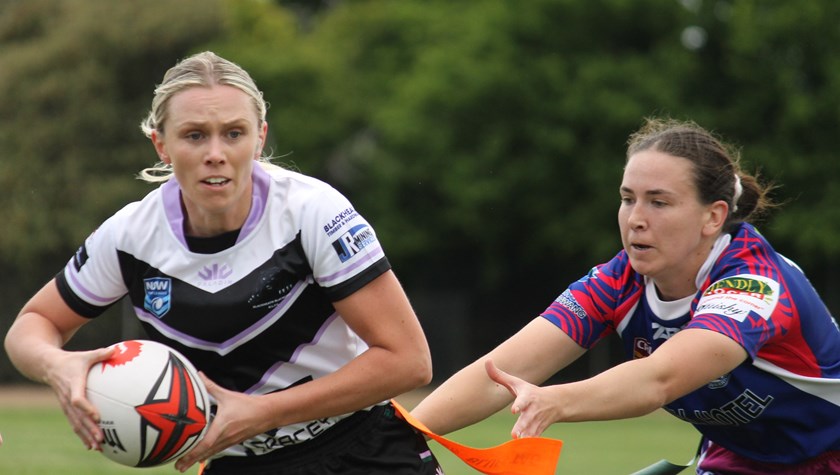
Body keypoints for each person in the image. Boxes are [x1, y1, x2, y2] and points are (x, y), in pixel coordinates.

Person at [4, 51, 443, 475]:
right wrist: (55, 365)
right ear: (161, 144)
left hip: (364, 450)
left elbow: (408, 360)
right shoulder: (130, 236)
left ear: (260, 138)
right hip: (237, 463)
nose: (216, 152)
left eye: (234, 133)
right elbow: (34, 323)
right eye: (194, 135)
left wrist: (265, 412)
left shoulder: (314, 214)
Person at [411, 118, 840, 474]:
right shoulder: (618, 281)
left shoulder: (752, 282)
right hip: (739, 458)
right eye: (627, 199)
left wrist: (555, 401)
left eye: (659, 202)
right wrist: (399, 431)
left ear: (713, 217)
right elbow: (501, 373)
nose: (635, 219)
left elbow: (659, 380)